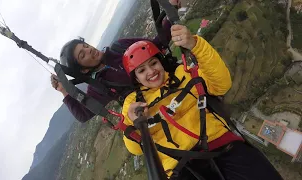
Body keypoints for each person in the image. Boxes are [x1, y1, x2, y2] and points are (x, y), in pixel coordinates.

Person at [121, 24, 283, 180]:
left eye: (153, 63)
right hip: (180, 169)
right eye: (142, 70)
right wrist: (134, 122)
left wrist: (196, 45)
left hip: (219, 144)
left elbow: (221, 84)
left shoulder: (182, 73)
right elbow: (136, 148)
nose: (151, 72)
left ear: (161, 61)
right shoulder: (133, 103)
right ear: (135, 78)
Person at [50, 1, 180, 123]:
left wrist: (171, 9)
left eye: (85, 46)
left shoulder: (120, 47)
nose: (88, 50)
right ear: (83, 70)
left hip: (176, 82)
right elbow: (84, 114)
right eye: (82, 55)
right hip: (162, 108)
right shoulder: (99, 86)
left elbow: (156, 44)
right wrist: (64, 91)